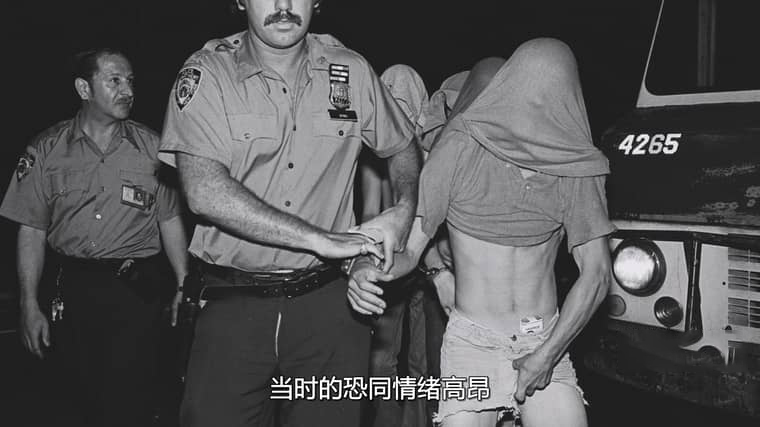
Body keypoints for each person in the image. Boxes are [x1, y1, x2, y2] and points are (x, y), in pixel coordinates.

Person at [157, 1, 422, 426]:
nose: (283, 6)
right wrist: (319, 239)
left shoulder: (350, 71)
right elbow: (203, 191)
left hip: (331, 306)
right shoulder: (209, 73)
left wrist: (404, 209)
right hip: (232, 305)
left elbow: (403, 146)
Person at [347, 38, 615, 427]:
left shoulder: (577, 167)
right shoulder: (460, 147)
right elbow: (411, 246)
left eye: (549, 101)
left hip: (544, 339)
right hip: (472, 345)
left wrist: (546, 356)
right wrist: (367, 267)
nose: (536, 111)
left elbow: (597, 274)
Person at [0, 48, 189, 427]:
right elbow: (31, 229)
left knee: (131, 398)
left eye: (130, 81)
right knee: (80, 397)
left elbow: (170, 220)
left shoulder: (154, 149)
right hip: (72, 290)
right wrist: (28, 304)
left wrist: (184, 285)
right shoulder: (46, 149)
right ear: (84, 88)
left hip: (136, 290)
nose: (127, 91)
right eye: (114, 81)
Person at [361, 64, 429, 427]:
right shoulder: (377, 157)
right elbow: (371, 215)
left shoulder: (434, 153)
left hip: (427, 269)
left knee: (422, 363)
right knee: (383, 361)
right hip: (391, 266)